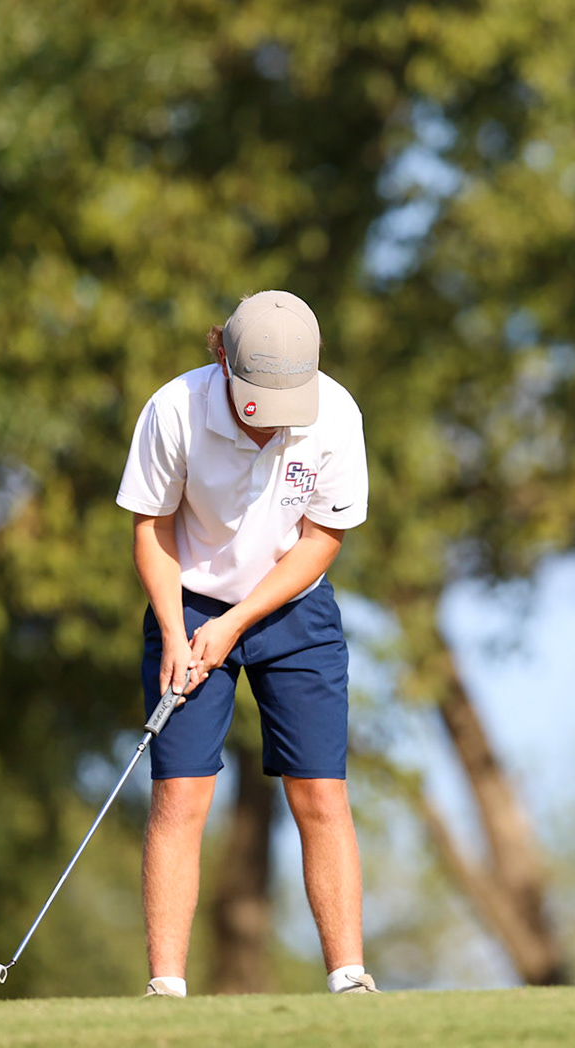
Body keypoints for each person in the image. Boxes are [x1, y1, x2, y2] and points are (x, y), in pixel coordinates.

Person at [114, 290, 377, 997]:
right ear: (222, 358)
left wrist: (233, 625)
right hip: (188, 599)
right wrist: (176, 629)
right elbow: (152, 527)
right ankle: (165, 988)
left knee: (321, 793)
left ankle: (349, 978)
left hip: (294, 611)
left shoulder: (336, 415)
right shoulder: (174, 409)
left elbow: (322, 540)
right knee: (179, 795)